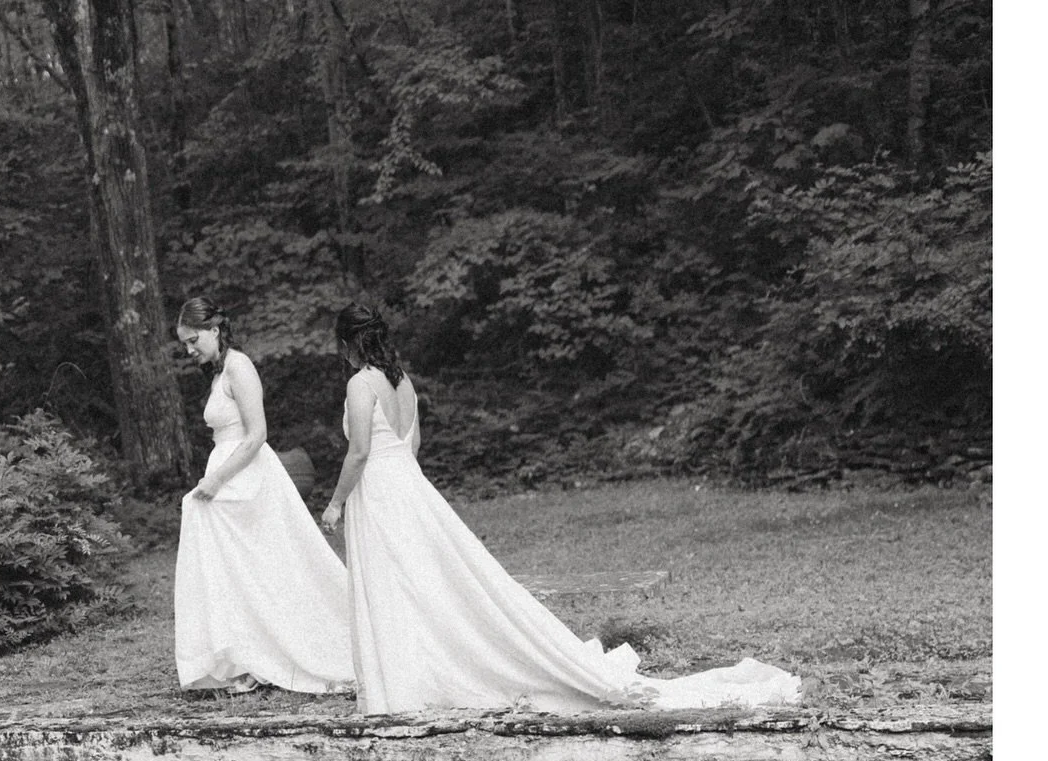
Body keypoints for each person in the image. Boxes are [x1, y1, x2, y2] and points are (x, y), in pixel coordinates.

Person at [319, 302, 800, 717]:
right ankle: (420, 671)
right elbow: (412, 445)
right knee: (428, 583)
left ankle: (403, 680)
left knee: (394, 584)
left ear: (348, 344)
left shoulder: (361, 385)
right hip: (410, 486)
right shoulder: (404, 385)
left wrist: (337, 503)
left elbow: (360, 450)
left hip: (381, 491)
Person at [173, 297, 353, 695]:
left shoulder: (239, 366)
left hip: (245, 479)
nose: (188, 350)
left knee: (263, 566)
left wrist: (216, 480)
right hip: (228, 473)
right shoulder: (220, 373)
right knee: (233, 569)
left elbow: (256, 435)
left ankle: (273, 651)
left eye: (192, 340)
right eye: (184, 343)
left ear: (214, 330)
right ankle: (245, 654)